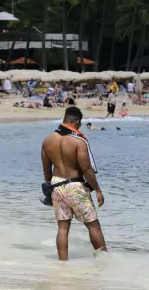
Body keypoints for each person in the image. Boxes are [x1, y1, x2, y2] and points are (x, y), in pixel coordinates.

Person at [41, 107, 107, 261]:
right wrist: (97, 190)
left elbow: (46, 170)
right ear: (76, 122)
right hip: (75, 185)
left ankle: (62, 265)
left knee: (63, 228)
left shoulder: (47, 140)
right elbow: (86, 169)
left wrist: (49, 189)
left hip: (56, 185)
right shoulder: (78, 141)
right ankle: (104, 262)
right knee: (93, 225)